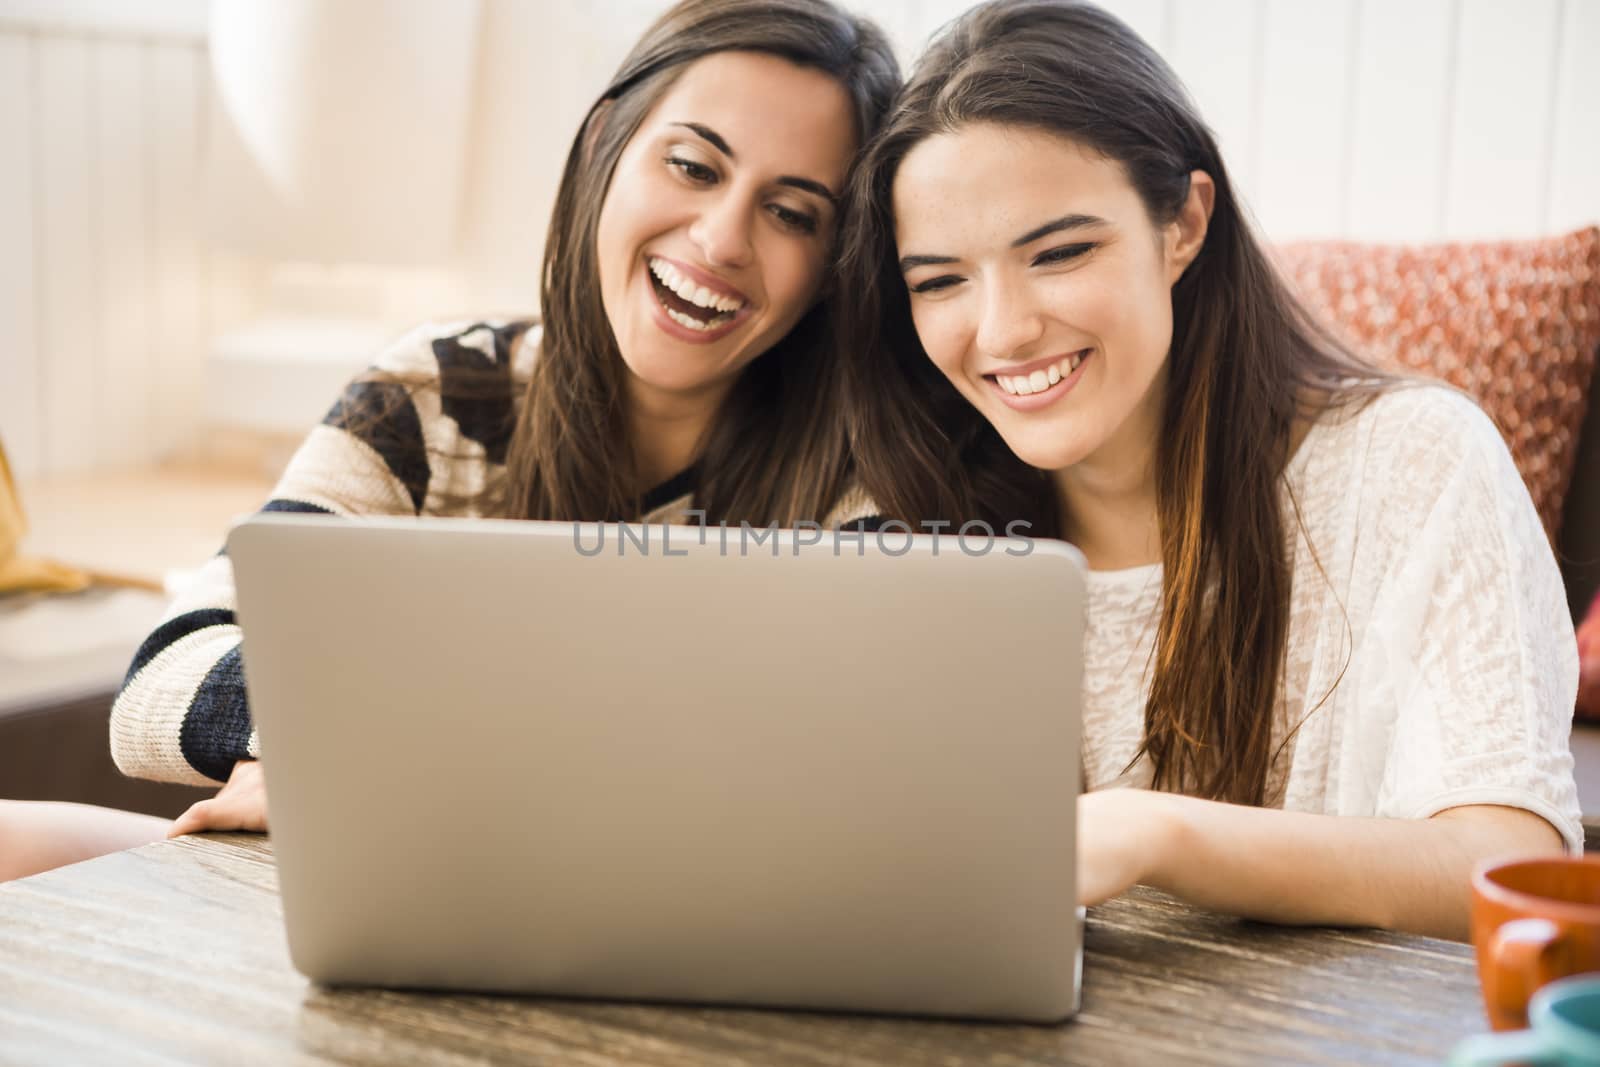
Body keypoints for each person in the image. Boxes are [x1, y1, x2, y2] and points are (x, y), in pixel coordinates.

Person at [0, 0, 898, 884]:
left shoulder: (864, 475)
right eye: (694, 166)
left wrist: (370, 739)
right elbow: (165, 678)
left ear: (832, 268)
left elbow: (821, 773)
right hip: (380, 880)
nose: (721, 238)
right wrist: (329, 746)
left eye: (792, 214)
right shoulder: (437, 387)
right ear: (602, 149)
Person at [836, 0, 1578, 940]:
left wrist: (1153, 832)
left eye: (1059, 252)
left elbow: (1506, 866)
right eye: (940, 280)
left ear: (1183, 223)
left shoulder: (1416, 459)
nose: (1003, 329)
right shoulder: (903, 506)